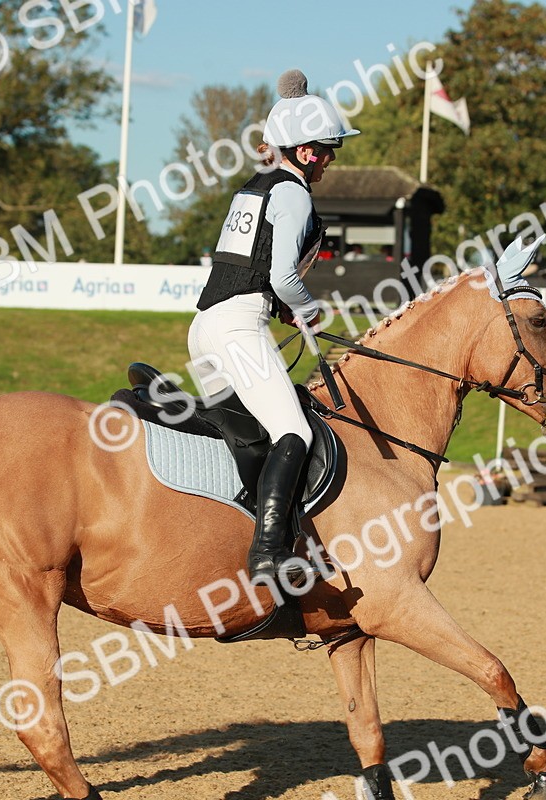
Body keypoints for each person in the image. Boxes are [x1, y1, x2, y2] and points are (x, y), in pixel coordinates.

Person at [189, 69, 358, 586]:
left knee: (250, 436)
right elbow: (284, 276)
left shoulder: (255, 186)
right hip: (239, 327)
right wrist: (306, 307)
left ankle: (242, 527)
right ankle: (267, 554)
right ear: (305, 151)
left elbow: (253, 265)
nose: (331, 158)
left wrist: (282, 302)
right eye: (328, 149)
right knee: (295, 430)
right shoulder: (294, 193)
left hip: (204, 326)